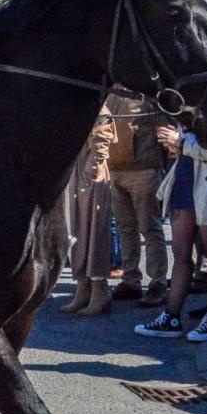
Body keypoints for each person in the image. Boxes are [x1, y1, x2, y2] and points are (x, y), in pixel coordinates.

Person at [135, 125, 207, 341]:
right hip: (184, 179)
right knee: (180, 252)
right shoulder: (186, 109)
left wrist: (184, 143)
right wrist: (174, 146)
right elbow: (186, 146)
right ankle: (171, 316)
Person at [105, 92, 168, 306]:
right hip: (115, 169)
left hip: (145, 169)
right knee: (125, 228)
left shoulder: (148, 95)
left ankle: (157, 283)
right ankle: (130, 279)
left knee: (150, 228)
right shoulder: (112, 92)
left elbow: (164, 129)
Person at [54, 106, 116, 316]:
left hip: (91, 176)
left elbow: (102, 140)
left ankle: (100, 290)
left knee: (93, 232)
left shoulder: (99, 108)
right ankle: (83, 287)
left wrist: (89, 171)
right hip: (73, 174)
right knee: (76, 232)